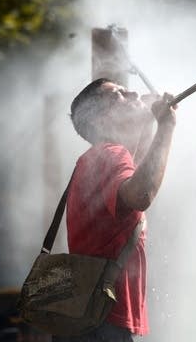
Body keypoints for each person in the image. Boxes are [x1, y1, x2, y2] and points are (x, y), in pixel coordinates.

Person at [53, 78, 177, 342]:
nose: (132, 92)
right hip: (103, 323)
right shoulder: (109, 155)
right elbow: (142, 194)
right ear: (100, 121)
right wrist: (166, 126)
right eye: (118, 95)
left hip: (93, 319)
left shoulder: (104, 156)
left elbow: (139, 168)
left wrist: (150, 122)